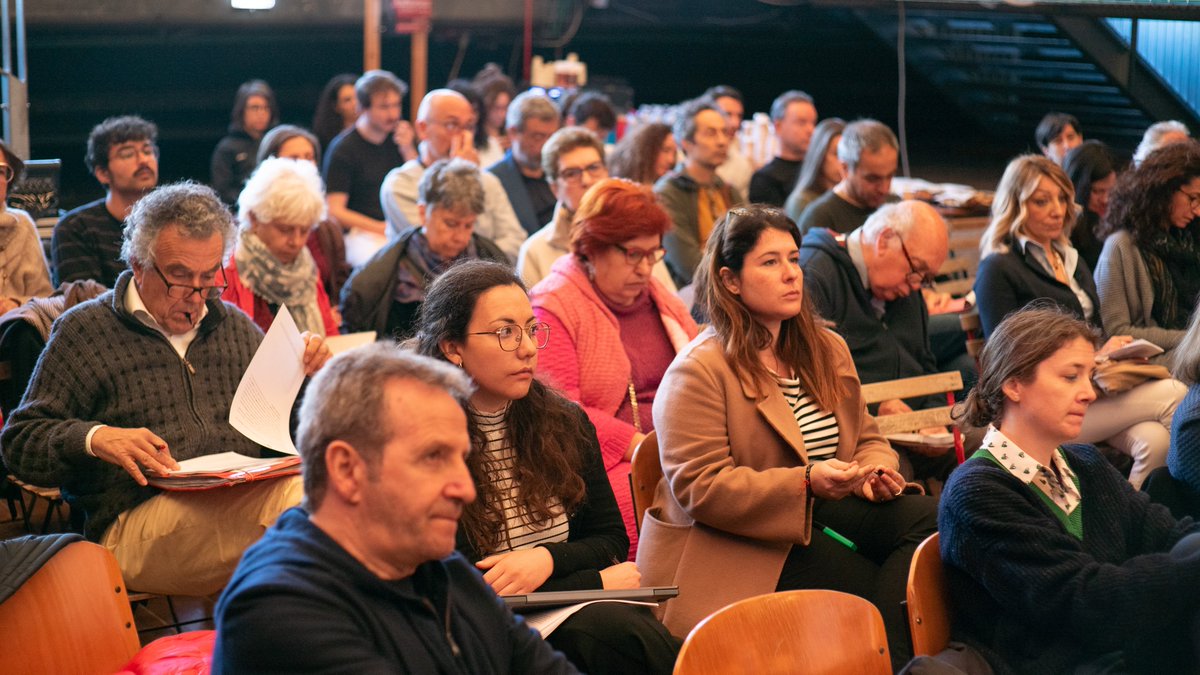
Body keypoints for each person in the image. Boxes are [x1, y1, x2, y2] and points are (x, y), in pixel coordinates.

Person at [637, 205, 937, 669]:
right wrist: (806, 481)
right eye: (770, 262)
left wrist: (877, 468)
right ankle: (896, 660)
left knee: (935, 519)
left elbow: (868, 437)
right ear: (730, 280)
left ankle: (894, 656)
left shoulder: (826, 347)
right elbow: (702, 489)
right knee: (872, 580)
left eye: (794, 259)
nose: (791, 275)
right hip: (736, 538)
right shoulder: (698, 371)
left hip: (823, 508)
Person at [1, 181, 331, 596]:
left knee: (327, 494)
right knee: (305, 506)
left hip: (241, 500)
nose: (196, 297)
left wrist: (312, 381)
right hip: (131, 525)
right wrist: (94, 437)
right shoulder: (87, 330)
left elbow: (287, 433)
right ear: (138, 264)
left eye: (209, 277)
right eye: (179, 277)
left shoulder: (233, 327)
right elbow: (18, 445)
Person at [213, 342, 579, 674]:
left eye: (461, 459)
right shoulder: (279, 613)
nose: (465, 489)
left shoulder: (447, 573)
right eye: (434, 457)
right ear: (347, 470)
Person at [414, 260, 681, 675]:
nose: (527, 348)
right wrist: (594, 584)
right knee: (619, 635)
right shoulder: (424, 439)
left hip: (563, 615)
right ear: (453, 347)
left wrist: (545, 560)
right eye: (505, 332)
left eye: (531, 329)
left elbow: (609, 538)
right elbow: (463, 585)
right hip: (474, 632)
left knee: (622, 633)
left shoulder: (562, 421)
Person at [936, 307, 1200, 674]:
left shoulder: (1084, 463)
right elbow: (1084, 601)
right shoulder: (977, 492)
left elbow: (1168, 533)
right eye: (1070, 377)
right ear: (1014, 384)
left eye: (1089, 376)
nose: (1089, 394)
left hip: (1117, 653)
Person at [975, 155, 1184, 489]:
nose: (1057, 210)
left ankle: (1131, 527)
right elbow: (1007, 359)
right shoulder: (999, 267)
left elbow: (1093, 331)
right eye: (1041, 201)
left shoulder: (1069, 258)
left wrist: (1110, 351)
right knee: (1175, 393)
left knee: (1156, 440)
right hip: (1037, 405)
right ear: (1016, 206)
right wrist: (1096, 357)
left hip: (1092, 385)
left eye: (1062, 198)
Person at [530, 179, 698, 558]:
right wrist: (642, 447)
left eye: (653, 254)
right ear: (592, 248)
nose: (645, 268)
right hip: (600, 461)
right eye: (632, 254)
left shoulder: (660, 299)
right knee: (639, 505)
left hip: (676, 446)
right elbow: (560, 410)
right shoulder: (553, 306)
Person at [800, 200, 968, 481]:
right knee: (894, 474)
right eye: (917, 271)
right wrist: (877, 407)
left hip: (917, 434)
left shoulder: (904, 285)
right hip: (859, 438)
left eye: (925, 279)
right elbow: (811, 379)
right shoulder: (816, 273)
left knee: (989, 449)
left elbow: (925, 361)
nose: (916, 287)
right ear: (884, 240)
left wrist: (932, 419)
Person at [342, 158, 507, 340]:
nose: (460, 237)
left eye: (468, 225)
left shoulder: (493, 257)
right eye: (450, 224)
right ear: (422, 213)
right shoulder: (377, 281)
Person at [380, 88, 527, 262]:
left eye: (469, 127)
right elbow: (441, 250)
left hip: (487, 280)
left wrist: (470, 177)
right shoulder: (400, 184)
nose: (463, 136)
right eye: (452, 125)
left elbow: (517, 244)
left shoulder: (487, 180)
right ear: (422, 129)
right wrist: (460, 177)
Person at [1095, 140, 1200, 364]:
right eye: (1193, 198)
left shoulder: (1188, 240)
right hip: (1147, 361)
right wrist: (1191, 339)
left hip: (1187, 352)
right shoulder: (1120, 246)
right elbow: (1117, 330)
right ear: (1164, 190)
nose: (1197, 210)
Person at [222, 157, 339, 337]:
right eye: (285, 229)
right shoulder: (228, 271)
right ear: (254, 218)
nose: (297, 241)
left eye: (305, 230)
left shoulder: (304, 268)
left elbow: (329, 335)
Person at [322, 70, 417, 265]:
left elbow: (417, 187)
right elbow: (335, 210)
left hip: (400, 227)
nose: (393, 114)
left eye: (396, 105)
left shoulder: (399, 139)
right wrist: (379, 227)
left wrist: (408, 149)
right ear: (362, 108)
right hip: (362, 233)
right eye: (384, 107)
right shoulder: (343, 149)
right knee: (383, 264)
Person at [52, 115, 159, 287]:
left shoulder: (170, 223)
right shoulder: (76, 227)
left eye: (148, 151)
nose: (143, 160)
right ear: (102, 173)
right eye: (128, 154)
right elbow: (83, 302)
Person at [656, 98, 745, 287]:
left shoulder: (729, 191)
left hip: (731, 287)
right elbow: (688, 264)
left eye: (724, 132)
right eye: (711, 133)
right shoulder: (668, 194)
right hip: (690, 297)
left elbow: (751, 244)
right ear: (686, 143)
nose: (722, 141)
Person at [796, 118, 898, 236]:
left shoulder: (894, 206)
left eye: (890, 176)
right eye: (872, 179)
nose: (884, 189)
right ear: (845, 169)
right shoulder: (820, 218)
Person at [488, 90, 561, 235]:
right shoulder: (493, 180)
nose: (547, 145)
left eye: (551, 137)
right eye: (538, 136)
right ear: (513, 133)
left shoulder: (561, 175)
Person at [0, 141, 53, 313]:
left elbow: (46, 299)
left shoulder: (21, 224)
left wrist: (16, 304)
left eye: (1, 171)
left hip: (11, 331)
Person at [211, 79, 278, 206]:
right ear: (241, 111)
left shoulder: (276, 143)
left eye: (266, 108)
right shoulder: (227, 148)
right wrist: (250, 202)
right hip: (240, 213)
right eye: (255, 108)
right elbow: (222, 190)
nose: (261, 113)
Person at [749, 90, 817, 207]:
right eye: (801, 122)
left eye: (813, 123)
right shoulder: (764, 179)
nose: (811, 130)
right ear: (778, 126)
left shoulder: (818, 170)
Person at [1062, 140, 1117, 272]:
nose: (1106, 199)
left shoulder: (1120, 216)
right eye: (1097, 191)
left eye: (1112, 190)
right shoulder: (1065, 226)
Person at [784, 117, 846, 223]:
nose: (843, 162)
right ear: (819, 156)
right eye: (836, 154)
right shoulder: (802, 201)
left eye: (846, 155)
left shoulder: (855, 198)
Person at [704, 85, 754, 197]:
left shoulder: (741, 165)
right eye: (727, 114)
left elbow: (741, 212)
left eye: (739, 116)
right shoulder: (680, 158)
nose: (735, 123)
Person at [472, 63, 517, 168]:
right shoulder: (473, 138)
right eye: (496, 108)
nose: (502, 114)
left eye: (505, 108)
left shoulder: (512, 137)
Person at [607, 121, 675, 187]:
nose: (671, 160)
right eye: (665, 150)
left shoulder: (665, 189)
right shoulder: (618, 187)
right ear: (646, 149)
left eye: (674, 153)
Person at [310, 73, 358, 151]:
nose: (355, 104)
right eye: (347, 100)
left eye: (358, 97)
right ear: (336, 106)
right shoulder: (323, 139)